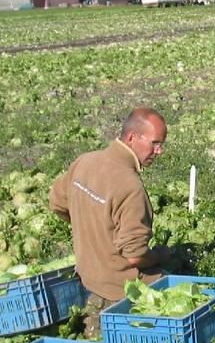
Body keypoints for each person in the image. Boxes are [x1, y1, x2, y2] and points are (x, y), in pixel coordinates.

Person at [49, 107, 172, 331]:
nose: (159, 151)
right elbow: (135, 257)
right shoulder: (130, 187)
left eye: (161, 144)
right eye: (155, 143)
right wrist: (159, 255)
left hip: (87, 274)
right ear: (132, 137)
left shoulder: (84, 162)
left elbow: (57, 202)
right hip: (117, 286)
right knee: (177, 272)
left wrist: (90, 228)